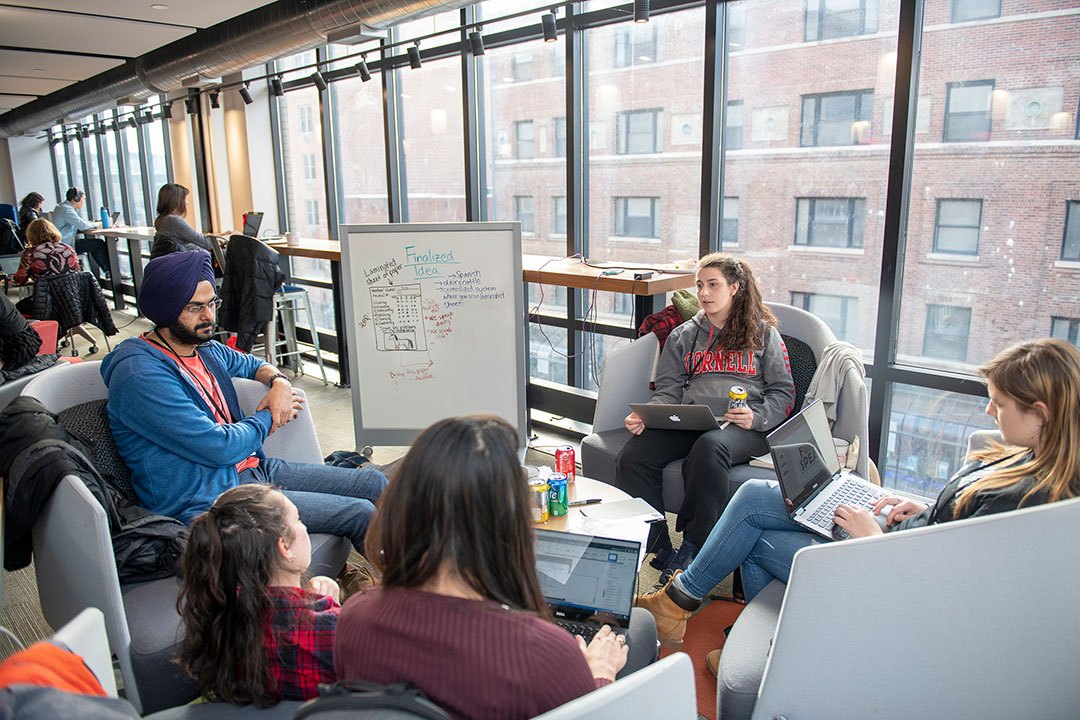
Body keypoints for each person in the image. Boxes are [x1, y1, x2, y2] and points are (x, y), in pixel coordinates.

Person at [636, 337, 1080, 651]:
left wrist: (873, 539)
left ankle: (764, 644)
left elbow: (952, 589)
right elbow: (956, 531)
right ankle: (684, 604)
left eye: (999, 404)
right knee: (754, 492)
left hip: (882, 562)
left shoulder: (1026, 499)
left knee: (754, 541)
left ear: (1040, 413)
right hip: (899, 535)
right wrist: (924, 508)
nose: (988, 410)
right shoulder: (1029, 458)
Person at [335, 415, 655, 720]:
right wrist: (599, 678)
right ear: (509, 527)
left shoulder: (354, 616)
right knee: (639, 626)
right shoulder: (548, 654)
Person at [100, 250, 387, 552]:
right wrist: (271, 414)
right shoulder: (139, 375)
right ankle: (410, 593)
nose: (209, 316)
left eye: (212, 303)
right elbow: (219, 447)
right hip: (210, 504)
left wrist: (279, 382)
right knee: (360, 513)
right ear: (166, 310)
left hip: (253, 471)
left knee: (374, 484)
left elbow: (252, 364)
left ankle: (428, 569)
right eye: (195, 307)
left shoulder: (205, 349)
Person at [614, 253, 795, 583]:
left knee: (710, 447)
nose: (704, 293)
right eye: (700, 285)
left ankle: (695, 545)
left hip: (742, 426)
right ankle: (658, 544)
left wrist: (757, 417)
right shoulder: (684, 335)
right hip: (693, 418)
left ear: (735, 288)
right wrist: (648, 416)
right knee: (634, 455)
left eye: (713, 285)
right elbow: (668, 389)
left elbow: (784, 393)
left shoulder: (764, 334)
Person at [178, 484, 341, 705]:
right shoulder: (331, 627)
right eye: (299, 520)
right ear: (284, 545)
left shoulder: (221, 619)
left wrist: (311, 598)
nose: (304, 527)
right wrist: (333, 605)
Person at [11, 218, 98, 349]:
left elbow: (20, 279)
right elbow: (75, 273)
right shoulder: (68, 249)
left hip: (47, 303)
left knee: (15, 311)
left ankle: (38, 342)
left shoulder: (30, 254)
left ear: (31, 235)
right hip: (75, 300)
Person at [153, 183, 226, 255]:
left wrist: (220, 236)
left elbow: (195, 238)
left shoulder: (160, 220)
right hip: (196, 260)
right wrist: (224, 239)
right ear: (177, 201)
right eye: (184, 199)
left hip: (186, 260)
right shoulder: (173, 221)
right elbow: (207, 243)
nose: (187, 203)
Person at [51, 187, 109, 278]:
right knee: (98, 244)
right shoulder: (67, 209)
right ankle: (108, 271)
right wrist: (99, 224)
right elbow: (82, 225)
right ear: (76, 198)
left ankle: (106, 272)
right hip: (66, 245)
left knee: (94, 244)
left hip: (60, 244)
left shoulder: (60, 207)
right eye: (83, 199)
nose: (84, 201)